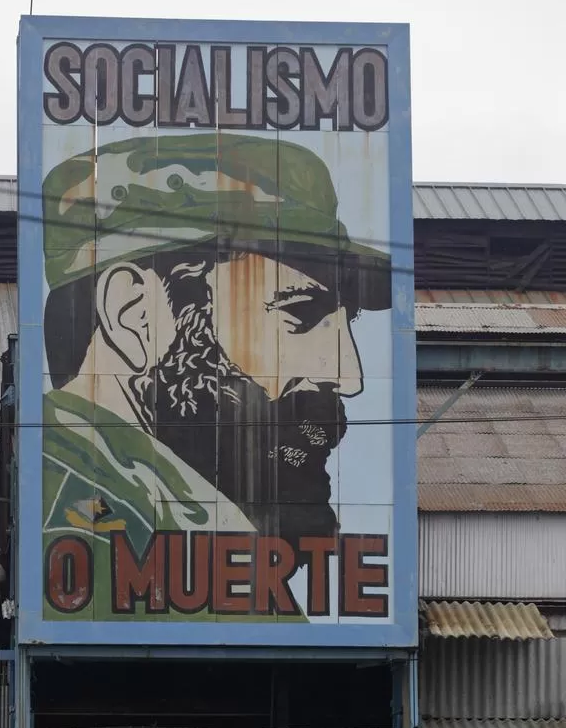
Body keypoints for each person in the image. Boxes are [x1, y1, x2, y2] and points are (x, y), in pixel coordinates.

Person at [41, 132, 390, 619]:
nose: (349, 376)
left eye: (345, 325)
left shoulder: (171, 525)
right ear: (134, 314)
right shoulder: (78, 515)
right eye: (300, 317)